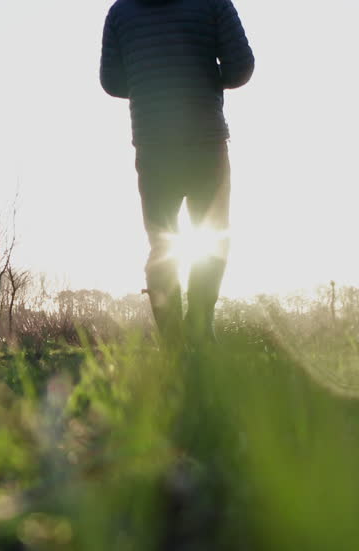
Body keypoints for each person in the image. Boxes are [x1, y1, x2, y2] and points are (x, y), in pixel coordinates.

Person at [100, 0, 254, 347]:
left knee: (161, 243)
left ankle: (172, 341)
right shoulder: (213, 3)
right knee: (213, 236)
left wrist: (151, 81)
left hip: (153, 145)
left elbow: (111, 81)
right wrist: (202, 75)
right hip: (205, 141)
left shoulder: (121, 12)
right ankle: (200, 326)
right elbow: (241, 67)